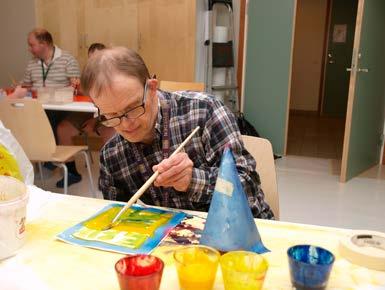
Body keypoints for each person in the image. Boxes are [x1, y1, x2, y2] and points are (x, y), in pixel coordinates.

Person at [80, 47, 274, 219]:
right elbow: (119, 219)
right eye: (111, 115)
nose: (125, 124)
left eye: (132, 108)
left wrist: (193, 180)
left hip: (241, 233)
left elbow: (246, 187)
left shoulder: (204, 111)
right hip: (174, 245)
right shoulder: (112, 155)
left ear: (152, 88)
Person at [23, 28, 84, 187]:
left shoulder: (67, 60)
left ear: (44, 43)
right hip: (39, 108)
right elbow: (26, 87)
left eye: (32, 45)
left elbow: (76, 88)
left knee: (52, 119)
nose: (29, 49)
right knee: (24, 120)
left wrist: (72, 86)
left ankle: (60, 163)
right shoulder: (32, 64)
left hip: (64, 108)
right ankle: (43, 156)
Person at [56, 43, 116, 170]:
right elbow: (83, 92)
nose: (94, 64)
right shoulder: (86, 76)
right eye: (91, 60)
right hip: (86, 113)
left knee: (112, 132)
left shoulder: (113, 76)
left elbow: (114, 108)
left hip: (107, 115)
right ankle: (71, 172)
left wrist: (95, 121)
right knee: (63, 128)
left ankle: (112, 172)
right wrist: (74, 87)